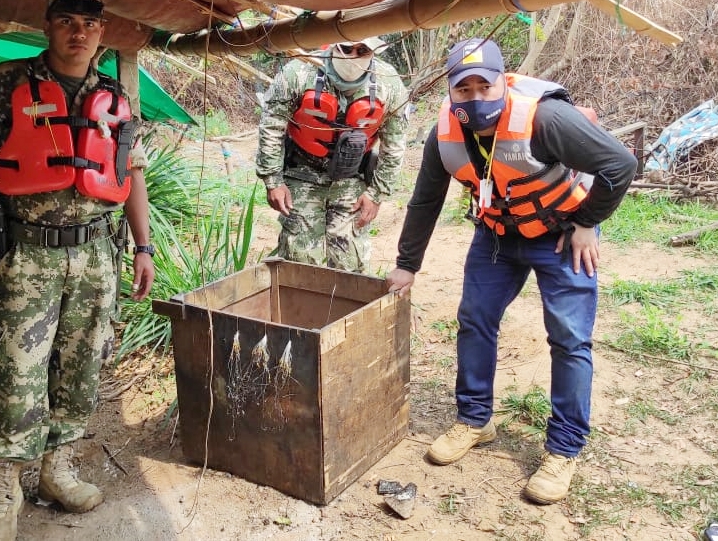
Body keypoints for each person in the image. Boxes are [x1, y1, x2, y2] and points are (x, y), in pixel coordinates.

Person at [0, 0, 155, 541]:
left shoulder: (114, 95)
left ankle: (55, 472)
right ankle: (5, 491)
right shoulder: (6, 82)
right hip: (29, 254)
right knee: (18, 373)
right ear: (47, 26)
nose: (78, 31)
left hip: (95, 255)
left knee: (81, 370)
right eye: (66, 20)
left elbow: (131, 174)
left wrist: (143, 246)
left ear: (101, 33)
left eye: (88, 23)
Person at [386, 38, 637, 504]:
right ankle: (474, 420)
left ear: (504, 81)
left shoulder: (545, 118)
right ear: (450, 91)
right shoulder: (442, 134)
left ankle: (563, 450)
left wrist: (586, 223)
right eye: (465, 90)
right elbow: (426, 199)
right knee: (474, 319)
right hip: (498, 234)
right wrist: (407, 265)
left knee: (568, 338)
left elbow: (620, 164)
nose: (477, 98)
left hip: (562, 233)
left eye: (487, 85)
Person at [256, 36, 409, 273]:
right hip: (302, 172)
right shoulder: (299, 72)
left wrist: (377, 193)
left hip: (352, 177)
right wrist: (272, 181)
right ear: (335, 45)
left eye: (362, 50)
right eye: (347, 49)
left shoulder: (389, 84)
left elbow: (395, 144)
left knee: (348, 261)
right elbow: (272, 126)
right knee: (300, 258)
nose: (353, 57)